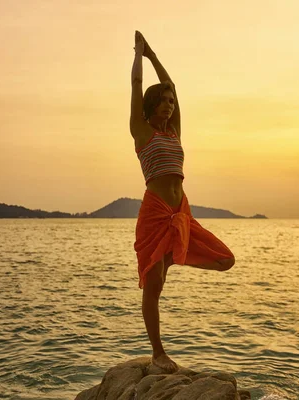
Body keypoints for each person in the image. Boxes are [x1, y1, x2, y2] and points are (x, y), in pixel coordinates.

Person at [130, 30, 236, 373]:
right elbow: (134, 86)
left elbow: (172, 84)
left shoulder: (173, 132)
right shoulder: (141, 131)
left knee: (225, 260)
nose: (170, 104)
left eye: (172, 101)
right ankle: (158, 353)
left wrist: (154, 54)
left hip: (180, 211)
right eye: (164, 100)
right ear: (151, 105)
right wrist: (138, 54)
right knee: (154, 282)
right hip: (155, 211)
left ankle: (174, 257)